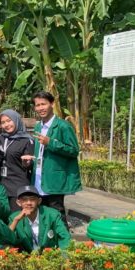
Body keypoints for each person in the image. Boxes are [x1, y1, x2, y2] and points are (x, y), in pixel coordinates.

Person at [27, 91, 81, 225]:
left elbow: (74, 150)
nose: (40, 108)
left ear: (52, 104)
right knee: (43, 215)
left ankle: (64, 244)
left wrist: (51, 143)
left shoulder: (63, 126)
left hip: (54, 179)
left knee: (57, 214)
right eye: (37, 105)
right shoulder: (38, 126)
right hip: (39, 177)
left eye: (43, 104)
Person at [0, 109, 35, 211]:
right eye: (3, 122)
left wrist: (27, 163)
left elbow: (30, 165)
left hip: (17, 185)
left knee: (16, 216)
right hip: (2, 185)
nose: (6, 125)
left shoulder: (26, 140)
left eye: (9, 121)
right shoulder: (1, 138)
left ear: (16, 120)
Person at [8, 186, 71, 252]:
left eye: (32, 199)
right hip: (26, 258)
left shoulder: (52, 214)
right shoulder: (14, 218)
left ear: (39, 201)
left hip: (49, 256)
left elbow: (65, 237)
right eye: (24, 200)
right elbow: (6, 239)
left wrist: (64, 257)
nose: (29, 203)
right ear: (18, 203)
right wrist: (16, 221)